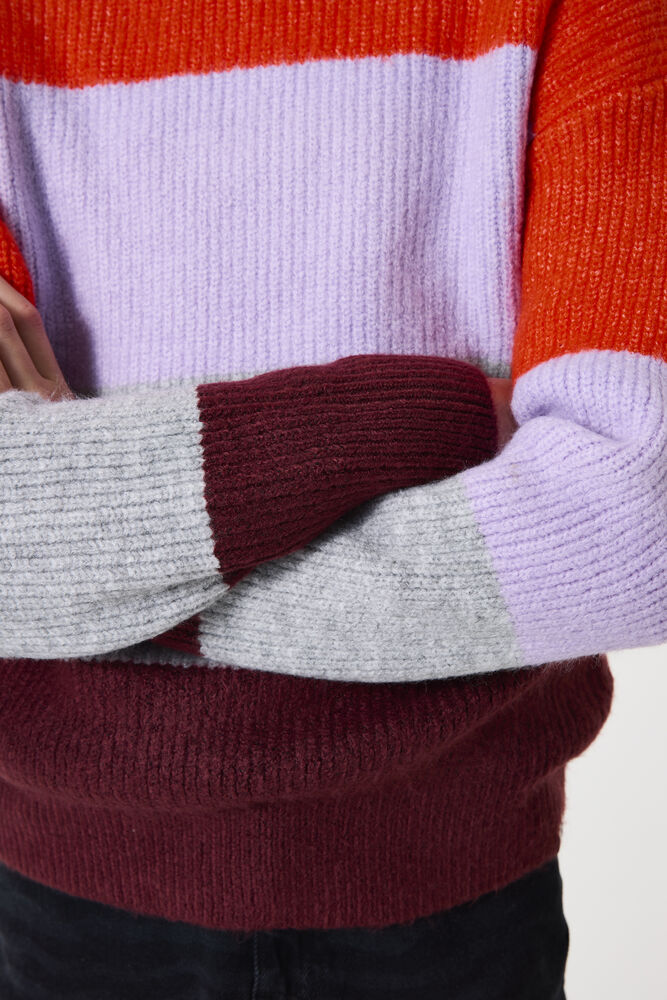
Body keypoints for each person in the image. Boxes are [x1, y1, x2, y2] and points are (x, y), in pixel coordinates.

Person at [0, 1, 663, 997]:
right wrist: (418, 415)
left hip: (456, 891)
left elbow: (635, 524)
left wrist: (92, 555)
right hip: (56, 890)